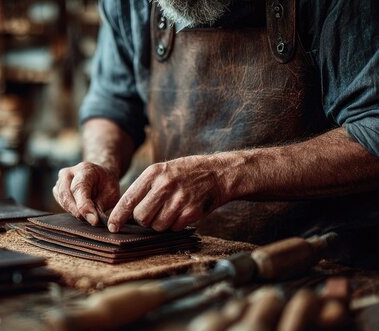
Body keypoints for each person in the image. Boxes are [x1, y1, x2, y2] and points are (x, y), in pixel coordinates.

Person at [53, 0, 379, 243]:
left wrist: (223, 176)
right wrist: (102, 162)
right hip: (185, 255)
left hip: (323, 261)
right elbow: (114, 102)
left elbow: (372, 132)